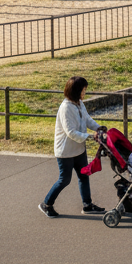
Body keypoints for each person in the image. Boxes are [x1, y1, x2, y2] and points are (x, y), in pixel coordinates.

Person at [40, 76, 105, 218]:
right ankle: (46, 204)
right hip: (66, 151)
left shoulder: (79, 103)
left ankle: (87, 205)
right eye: (83, 90)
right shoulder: (66, 108)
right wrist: (90, 136)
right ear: (76, 91)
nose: (84, 93)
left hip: (78, 148)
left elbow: (87, 119)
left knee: (84, 176)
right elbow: (70, 132)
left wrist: (98, 128)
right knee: (65, 179)